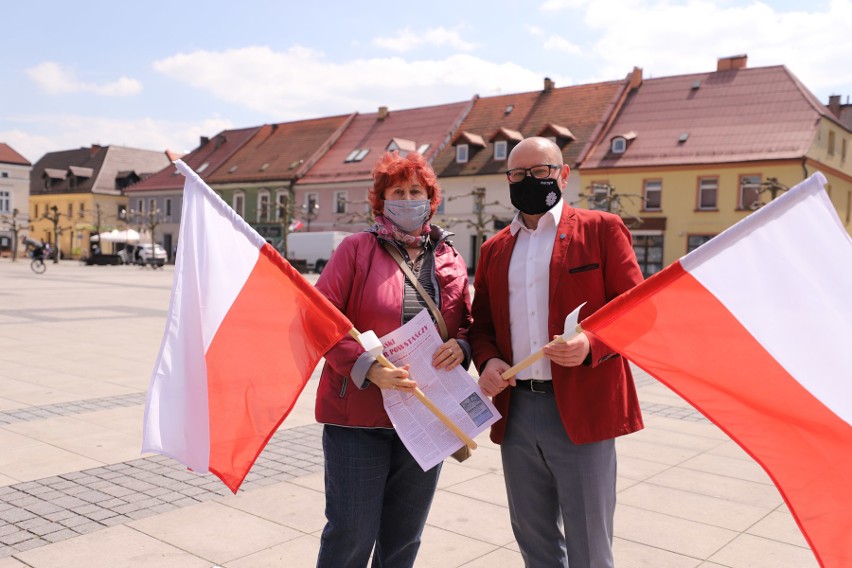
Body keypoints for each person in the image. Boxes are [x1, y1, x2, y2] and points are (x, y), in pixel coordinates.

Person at [470, 137, 645, 568]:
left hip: (581, 408)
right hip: (518, 412)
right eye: (518, 174)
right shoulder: (494, 249)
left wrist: (592, 344)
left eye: (541, 171)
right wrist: (489, 360)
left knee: (589, 544)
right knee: (534, 540)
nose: (529, 180)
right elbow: (483, 326)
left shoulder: (601, 229)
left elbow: (637, 311)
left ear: (563, 175)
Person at [314, 150, 473, 567]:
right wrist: (368, 368)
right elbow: (318, 319)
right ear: (381, 201)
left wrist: (464, 346)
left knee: (403, 539)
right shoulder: (354, 250)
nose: (407, 199)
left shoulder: (450, 257)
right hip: (359, 417)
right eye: (396, 191)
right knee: (351, 535)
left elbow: (467, 322)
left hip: (424, 416)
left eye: (415, 191)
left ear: (430, 199)